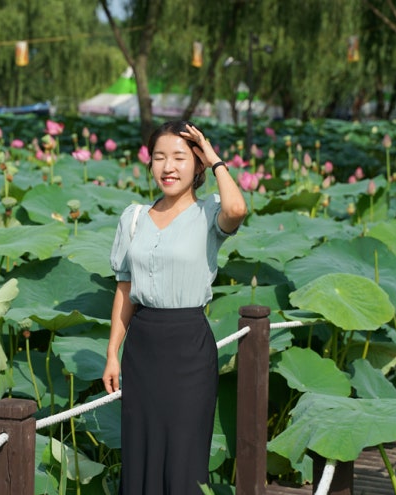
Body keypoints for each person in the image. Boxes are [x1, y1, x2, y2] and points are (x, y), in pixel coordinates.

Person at [102, 120, 247, 494]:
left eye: (180, 157)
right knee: (140, 453)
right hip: (142, 347)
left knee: (183, 459)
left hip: (188, 350)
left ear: (196, 165)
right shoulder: (133, 218)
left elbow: (238, 207)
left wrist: (214, 157)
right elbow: (124, 289)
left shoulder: (210, 214)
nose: (168, 167)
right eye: (159, 157)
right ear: (149, 164)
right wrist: (112, 353)